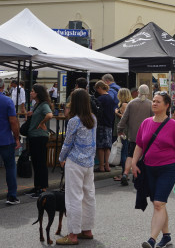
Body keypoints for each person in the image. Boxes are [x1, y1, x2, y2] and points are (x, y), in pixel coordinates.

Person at [132, 92, 175, 248]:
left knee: (158, 203)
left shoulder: (173, 126)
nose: (155, 104)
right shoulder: (145, 123)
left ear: (166, 105)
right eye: (154, 101)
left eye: (158, 102)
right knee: (159, 204)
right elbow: (139, 144)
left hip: (168, 169)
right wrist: (133, 163)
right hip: (149, 169)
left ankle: (151, 239)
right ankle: (166, 237)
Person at [56, 89, 96, 245]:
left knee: (74, 198)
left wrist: (61, 158)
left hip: (75, 162)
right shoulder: (93, 118)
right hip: (89, 163)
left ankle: (73, 234)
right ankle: (87, 230)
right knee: (88, 196)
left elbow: (68, 142)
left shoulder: (74, 121)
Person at [117, 85, 153, 186]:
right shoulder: (150, 104)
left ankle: (125, 173)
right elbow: (153, 119)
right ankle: (140, 175)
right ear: (148, 93)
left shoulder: (131, 103)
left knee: (130, 155)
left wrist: (120, 130)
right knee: (145, 156)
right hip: (146, 135)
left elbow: (124, 119)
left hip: (133, 135)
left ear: (138, 92)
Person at [26, 84, 53, 198]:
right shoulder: (36, 104)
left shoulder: (44, 104)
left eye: (32, 91)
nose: (31, 93)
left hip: (39, 137)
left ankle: (43, 187)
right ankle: (37, 186)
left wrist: (42, 123)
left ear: (37, 93)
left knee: (41, 163)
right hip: (33, 136)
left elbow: (49, 114)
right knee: (36, 163)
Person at [0, 78, 21, 205]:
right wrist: (17, 138)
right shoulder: (7, 101)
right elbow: (13, 122)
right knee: (10, 167)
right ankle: (12, 196)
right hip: (5, 140)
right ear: (3, 87)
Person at [94, 80, 115, 173]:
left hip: (101, 124)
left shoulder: (101, 99)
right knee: (107, 146)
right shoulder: (110, 98)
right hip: (109, 124)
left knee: (100, 146)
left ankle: (101, 166)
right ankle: (107, 165)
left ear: (99, 88)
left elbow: (97, 111)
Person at [112, 88, 132, 181]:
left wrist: (117, 113)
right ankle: (124, 173)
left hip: (123, 131)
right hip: (124, 130)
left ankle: (124, 173)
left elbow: (124, 117)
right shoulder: (128, 103)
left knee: (123, 152)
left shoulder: (124, 104)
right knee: (124, 151)